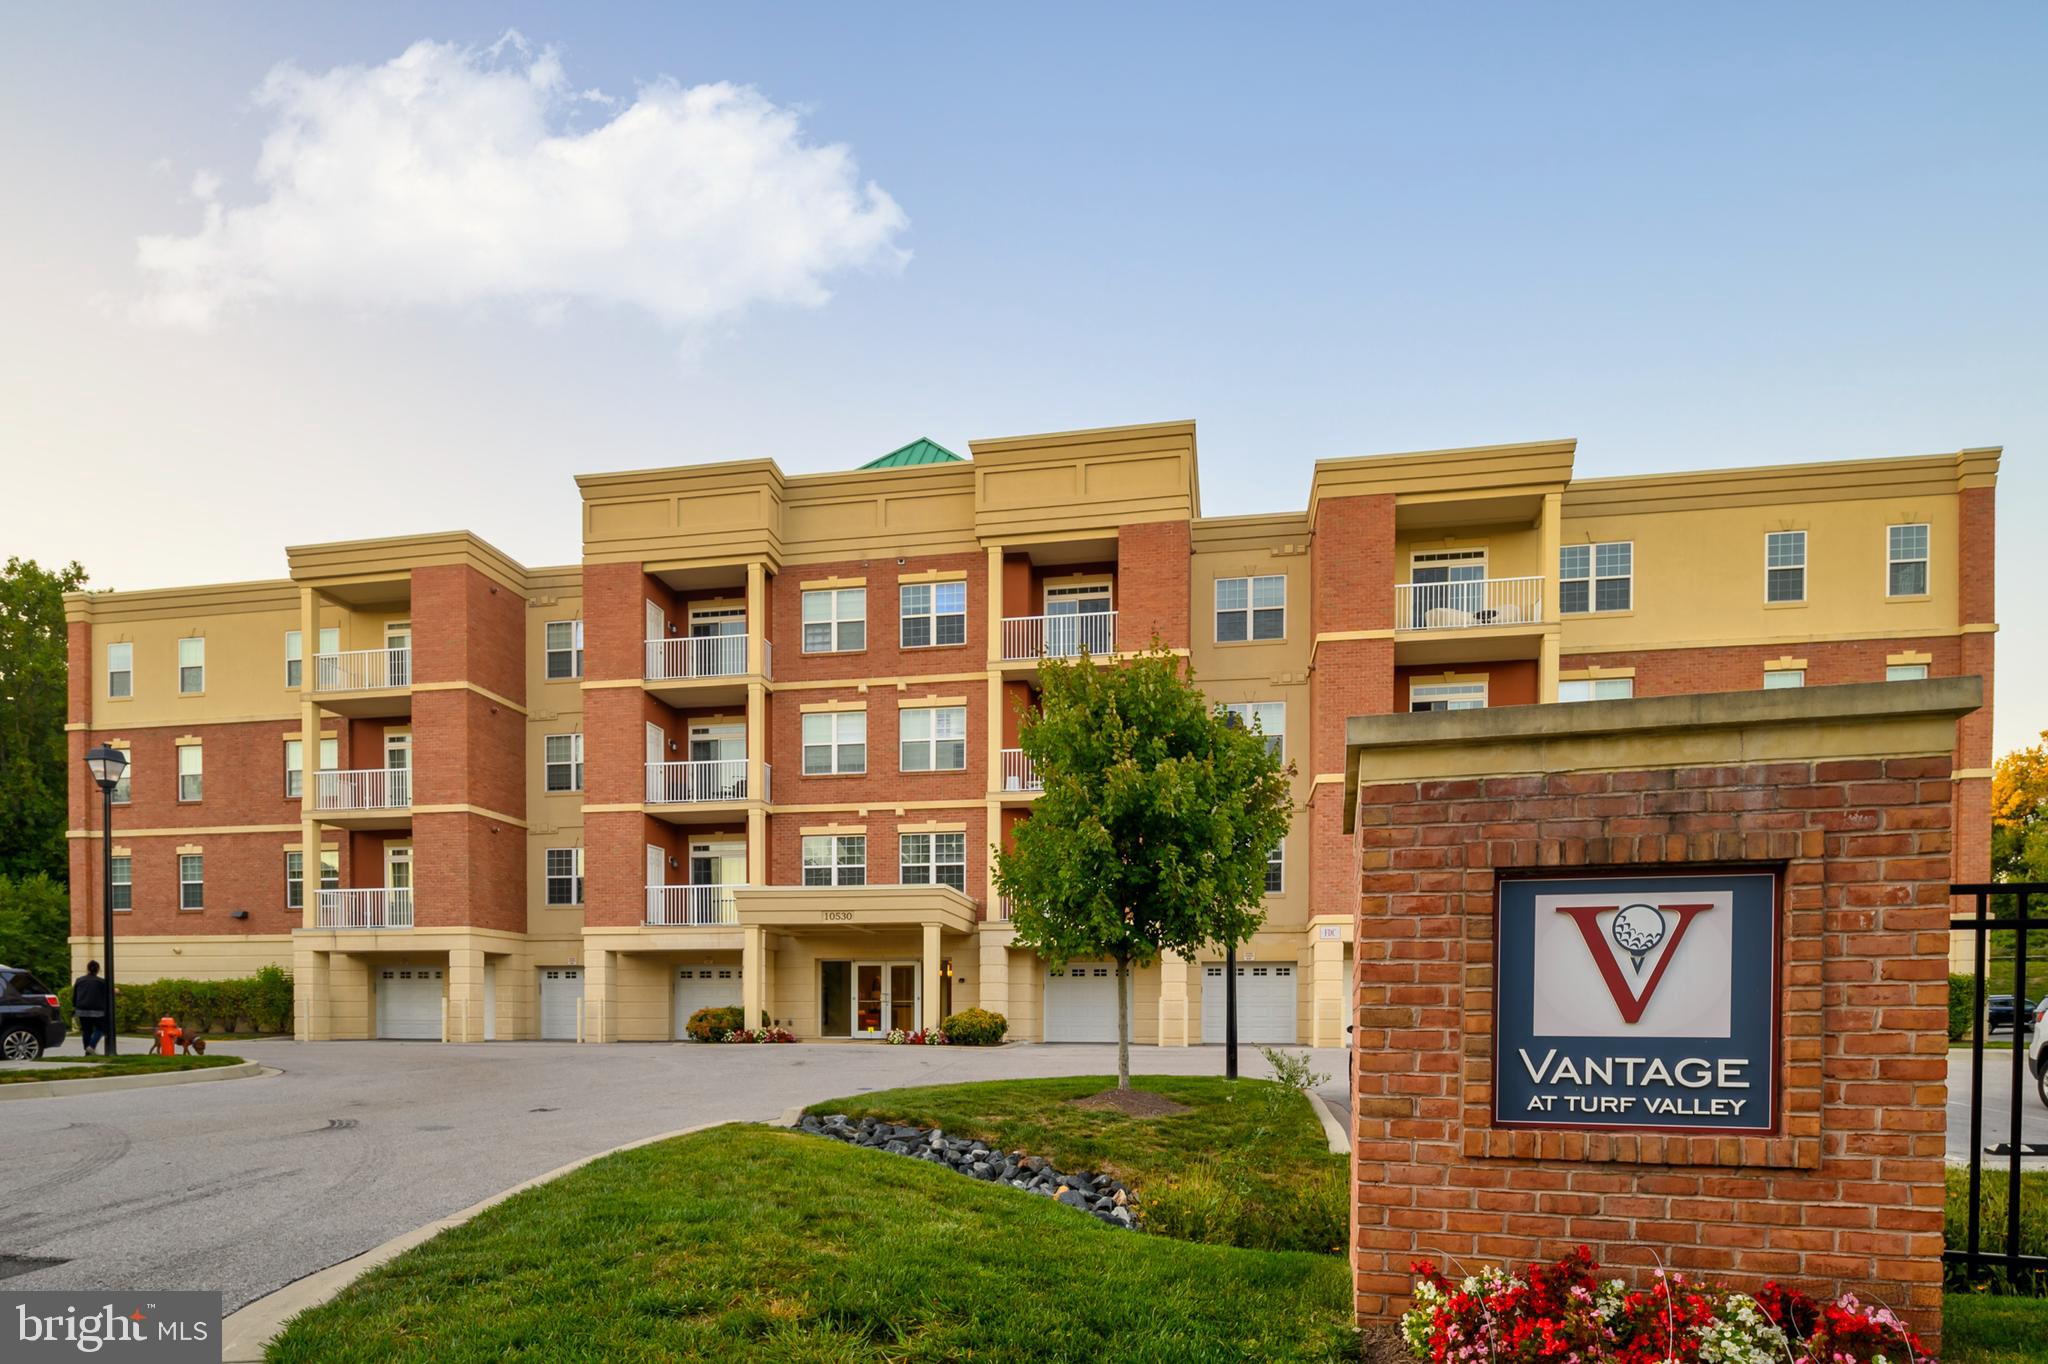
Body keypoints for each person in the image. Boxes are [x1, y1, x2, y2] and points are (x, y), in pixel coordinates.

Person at [72, 960, 111, 1055]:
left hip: (82, 1009)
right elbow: (107, 995)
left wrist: (75, 1006)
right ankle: (91, 1046)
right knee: (102, 1028)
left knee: (86, 1030)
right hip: (97, 1010)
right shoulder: (102, 982)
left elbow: (75, 996)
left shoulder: (79, 980)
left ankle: (87, 1051)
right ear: (98, 969)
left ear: (87, 969)